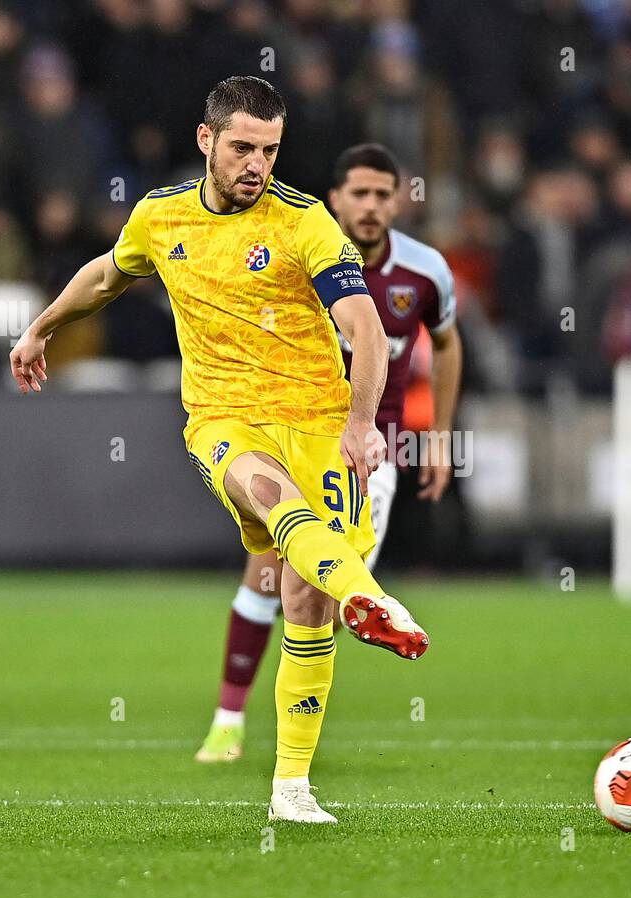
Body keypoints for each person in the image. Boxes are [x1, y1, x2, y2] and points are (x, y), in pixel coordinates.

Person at [7, 77, 429, 825]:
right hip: (224, 418)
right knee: (266, 495)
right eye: (241, 147)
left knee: (305, 600)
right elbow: (109, 273)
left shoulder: (306, 223)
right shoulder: (161, 216)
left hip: (320, 421)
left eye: (269, 149)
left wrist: (362, 423)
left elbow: (366, 330)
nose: (256, 163)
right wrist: (41, 326)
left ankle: (291, 790)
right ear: (207, 140)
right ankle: (369, 593)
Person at [197, 142, 462, 765]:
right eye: (359, 194)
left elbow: (447, 345)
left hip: (371, 453)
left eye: (382, 194)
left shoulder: (425, 272)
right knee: (267, 576)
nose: (370, 207)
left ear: (397, 200)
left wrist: (442, 434)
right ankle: (228, 721)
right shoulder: (299, 250)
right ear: (335, 199)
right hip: (287, 433)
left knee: (318, 595)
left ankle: (289, 752)